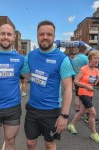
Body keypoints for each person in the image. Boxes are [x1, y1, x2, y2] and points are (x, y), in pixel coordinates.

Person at [24, 20, 75, 150]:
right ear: (37, 36)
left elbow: (69, 88)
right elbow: (23, 72)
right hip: (33, 110)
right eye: (41, 34)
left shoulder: (62, 59)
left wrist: (64, 116)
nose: (45, 37)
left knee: (50, 144)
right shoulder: (30, 56)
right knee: (30, 143)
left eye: (49, 34)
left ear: (54, 36)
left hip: (51, 111)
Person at [68, 50, 99, 144]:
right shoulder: (84, 69)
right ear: (90, 59)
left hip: (90, 94)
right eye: (95, 58)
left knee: (82, 111)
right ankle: (94, 134)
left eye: (98, 58)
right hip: (83, 92)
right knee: (93, 112)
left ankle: (71, 124)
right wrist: (86, 86)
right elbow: (75, 81)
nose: (97, 60)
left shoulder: (96, 70)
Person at [72, 45, 89, 114]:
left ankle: (77, 112)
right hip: (83, 80)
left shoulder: (74, 58)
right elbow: (89, 68)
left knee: (77, 96)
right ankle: (87, 114)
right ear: (85, 50)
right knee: (86, 97)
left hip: (76, 78)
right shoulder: (85, 58)